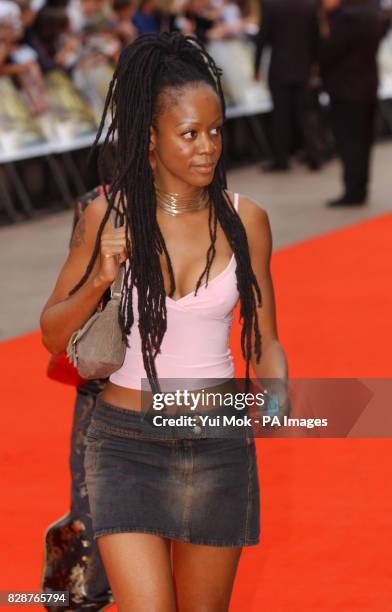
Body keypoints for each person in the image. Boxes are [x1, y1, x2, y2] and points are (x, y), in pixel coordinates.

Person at [40, 32, 288, 610]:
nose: (208, 147)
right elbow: (53, 334)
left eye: (216, 131)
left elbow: (267, 339)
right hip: (125, 446)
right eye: (190, 134)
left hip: (219, 444)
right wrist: (101, 277)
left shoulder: (246, 220)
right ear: (150, 138)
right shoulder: (107, 214)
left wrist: (276, 389)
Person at [320, 0, 389, 206]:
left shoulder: (344, 18)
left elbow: (330, 51)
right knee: (364, 141)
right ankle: (360, 187)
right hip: (368, 85)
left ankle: (353, 190)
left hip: (345, 88)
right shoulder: (372, 14)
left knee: (349, 142)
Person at [254, 0, 321, 171]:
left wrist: (256, 67)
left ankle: (281, 160)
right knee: (306, 114)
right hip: (303, 68)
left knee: (281, 117)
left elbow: (262, 37)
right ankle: (315, 156)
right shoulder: (309, 5)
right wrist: (316, 64)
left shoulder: (271, 5)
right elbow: (316, 38)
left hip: (280, 68)